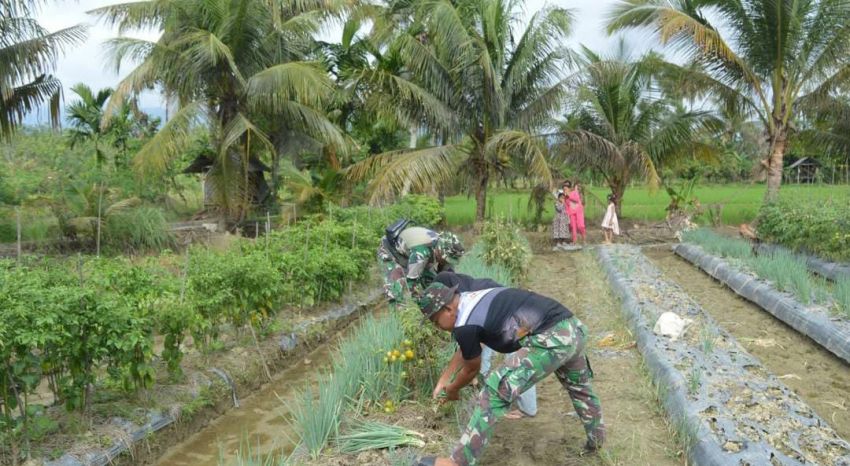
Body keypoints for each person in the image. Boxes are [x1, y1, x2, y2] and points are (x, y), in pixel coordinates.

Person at [414, 282, 605, 466]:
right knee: (580, 388)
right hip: (572, 328)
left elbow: (472, 367)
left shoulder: (464, 323)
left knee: (494, 391)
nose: (435, 326)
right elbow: (466, 351)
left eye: (434, 320)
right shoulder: (472, 298)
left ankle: (457, 462)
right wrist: (445, 380)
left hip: (550, 339)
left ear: (448, 309)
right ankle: (597, 441)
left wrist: (453, 390)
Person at [434, 272, 537, 419]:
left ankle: (528, 408)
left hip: (517, 321)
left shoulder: (471, 300)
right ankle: (484, 388)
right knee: (482, 360)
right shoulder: (464, 299)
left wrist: (460, 377)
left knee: (519, 360)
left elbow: (474, 346)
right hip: (501, 321)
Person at [378, 220, 465, 309]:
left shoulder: (443, 245)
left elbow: (448, 275)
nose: (446, 262)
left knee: (432, 282)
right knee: (396, 292)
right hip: (390, 250)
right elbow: (411, 282)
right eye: (446, 259)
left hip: (410, 250)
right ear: (439, 251)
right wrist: (421, 306)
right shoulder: (421, 253)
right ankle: (399, 318)